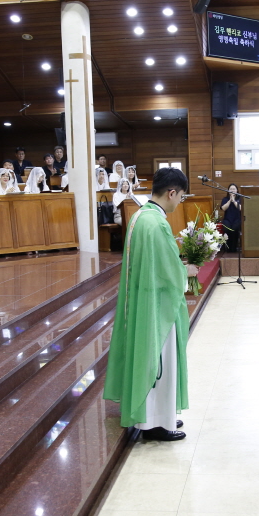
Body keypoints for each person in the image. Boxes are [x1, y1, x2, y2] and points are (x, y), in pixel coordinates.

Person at [103, 167, 193, 441]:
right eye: (181, 197)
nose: (180, 203)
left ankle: (158, 416)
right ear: (172, 192)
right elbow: (168, 270)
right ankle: (154, 423)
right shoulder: (157, 223)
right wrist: (187, 271)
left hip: (144, 299)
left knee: (151, 361)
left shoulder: (140, 217)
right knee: (159, 363)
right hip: (156, 306)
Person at [220, 183, 242, 253]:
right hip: (227, 219)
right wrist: (230, 200)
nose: (232, 190)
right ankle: (228, 248)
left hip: (237, 219)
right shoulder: (225, 199)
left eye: (234, 189)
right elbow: (223, 208)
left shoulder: (240, 198)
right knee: (227, 229)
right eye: (231, 189)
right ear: (228, 191)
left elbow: (240, 208)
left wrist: (234, 201)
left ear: (237, 190)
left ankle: (234, 248)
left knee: (234, 229)